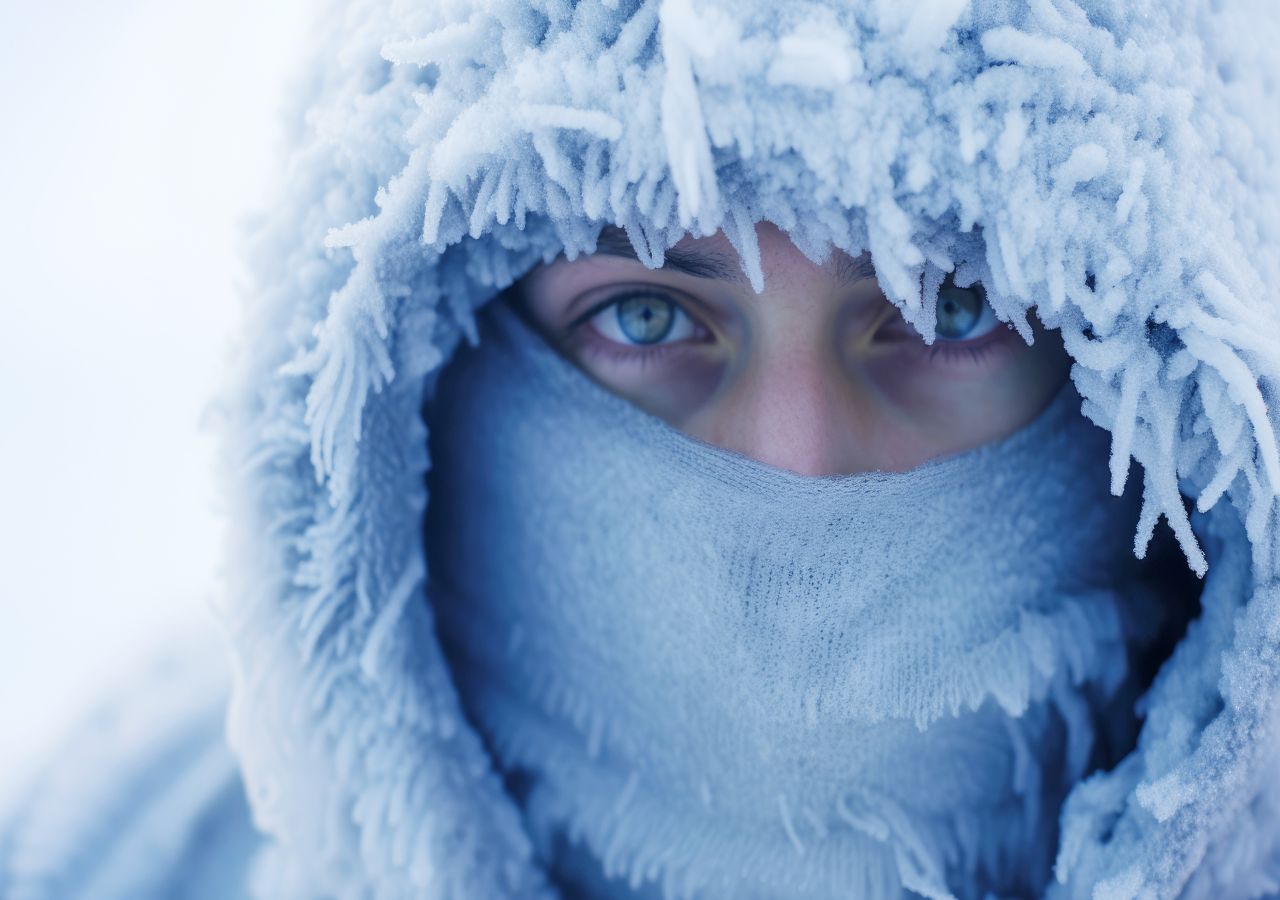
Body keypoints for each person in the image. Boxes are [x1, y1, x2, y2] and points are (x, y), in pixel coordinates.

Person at [2, 1, 1278, 898]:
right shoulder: (100, 860)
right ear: (420, 395)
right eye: (648, 316)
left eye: (951, 308)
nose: (793, 473)